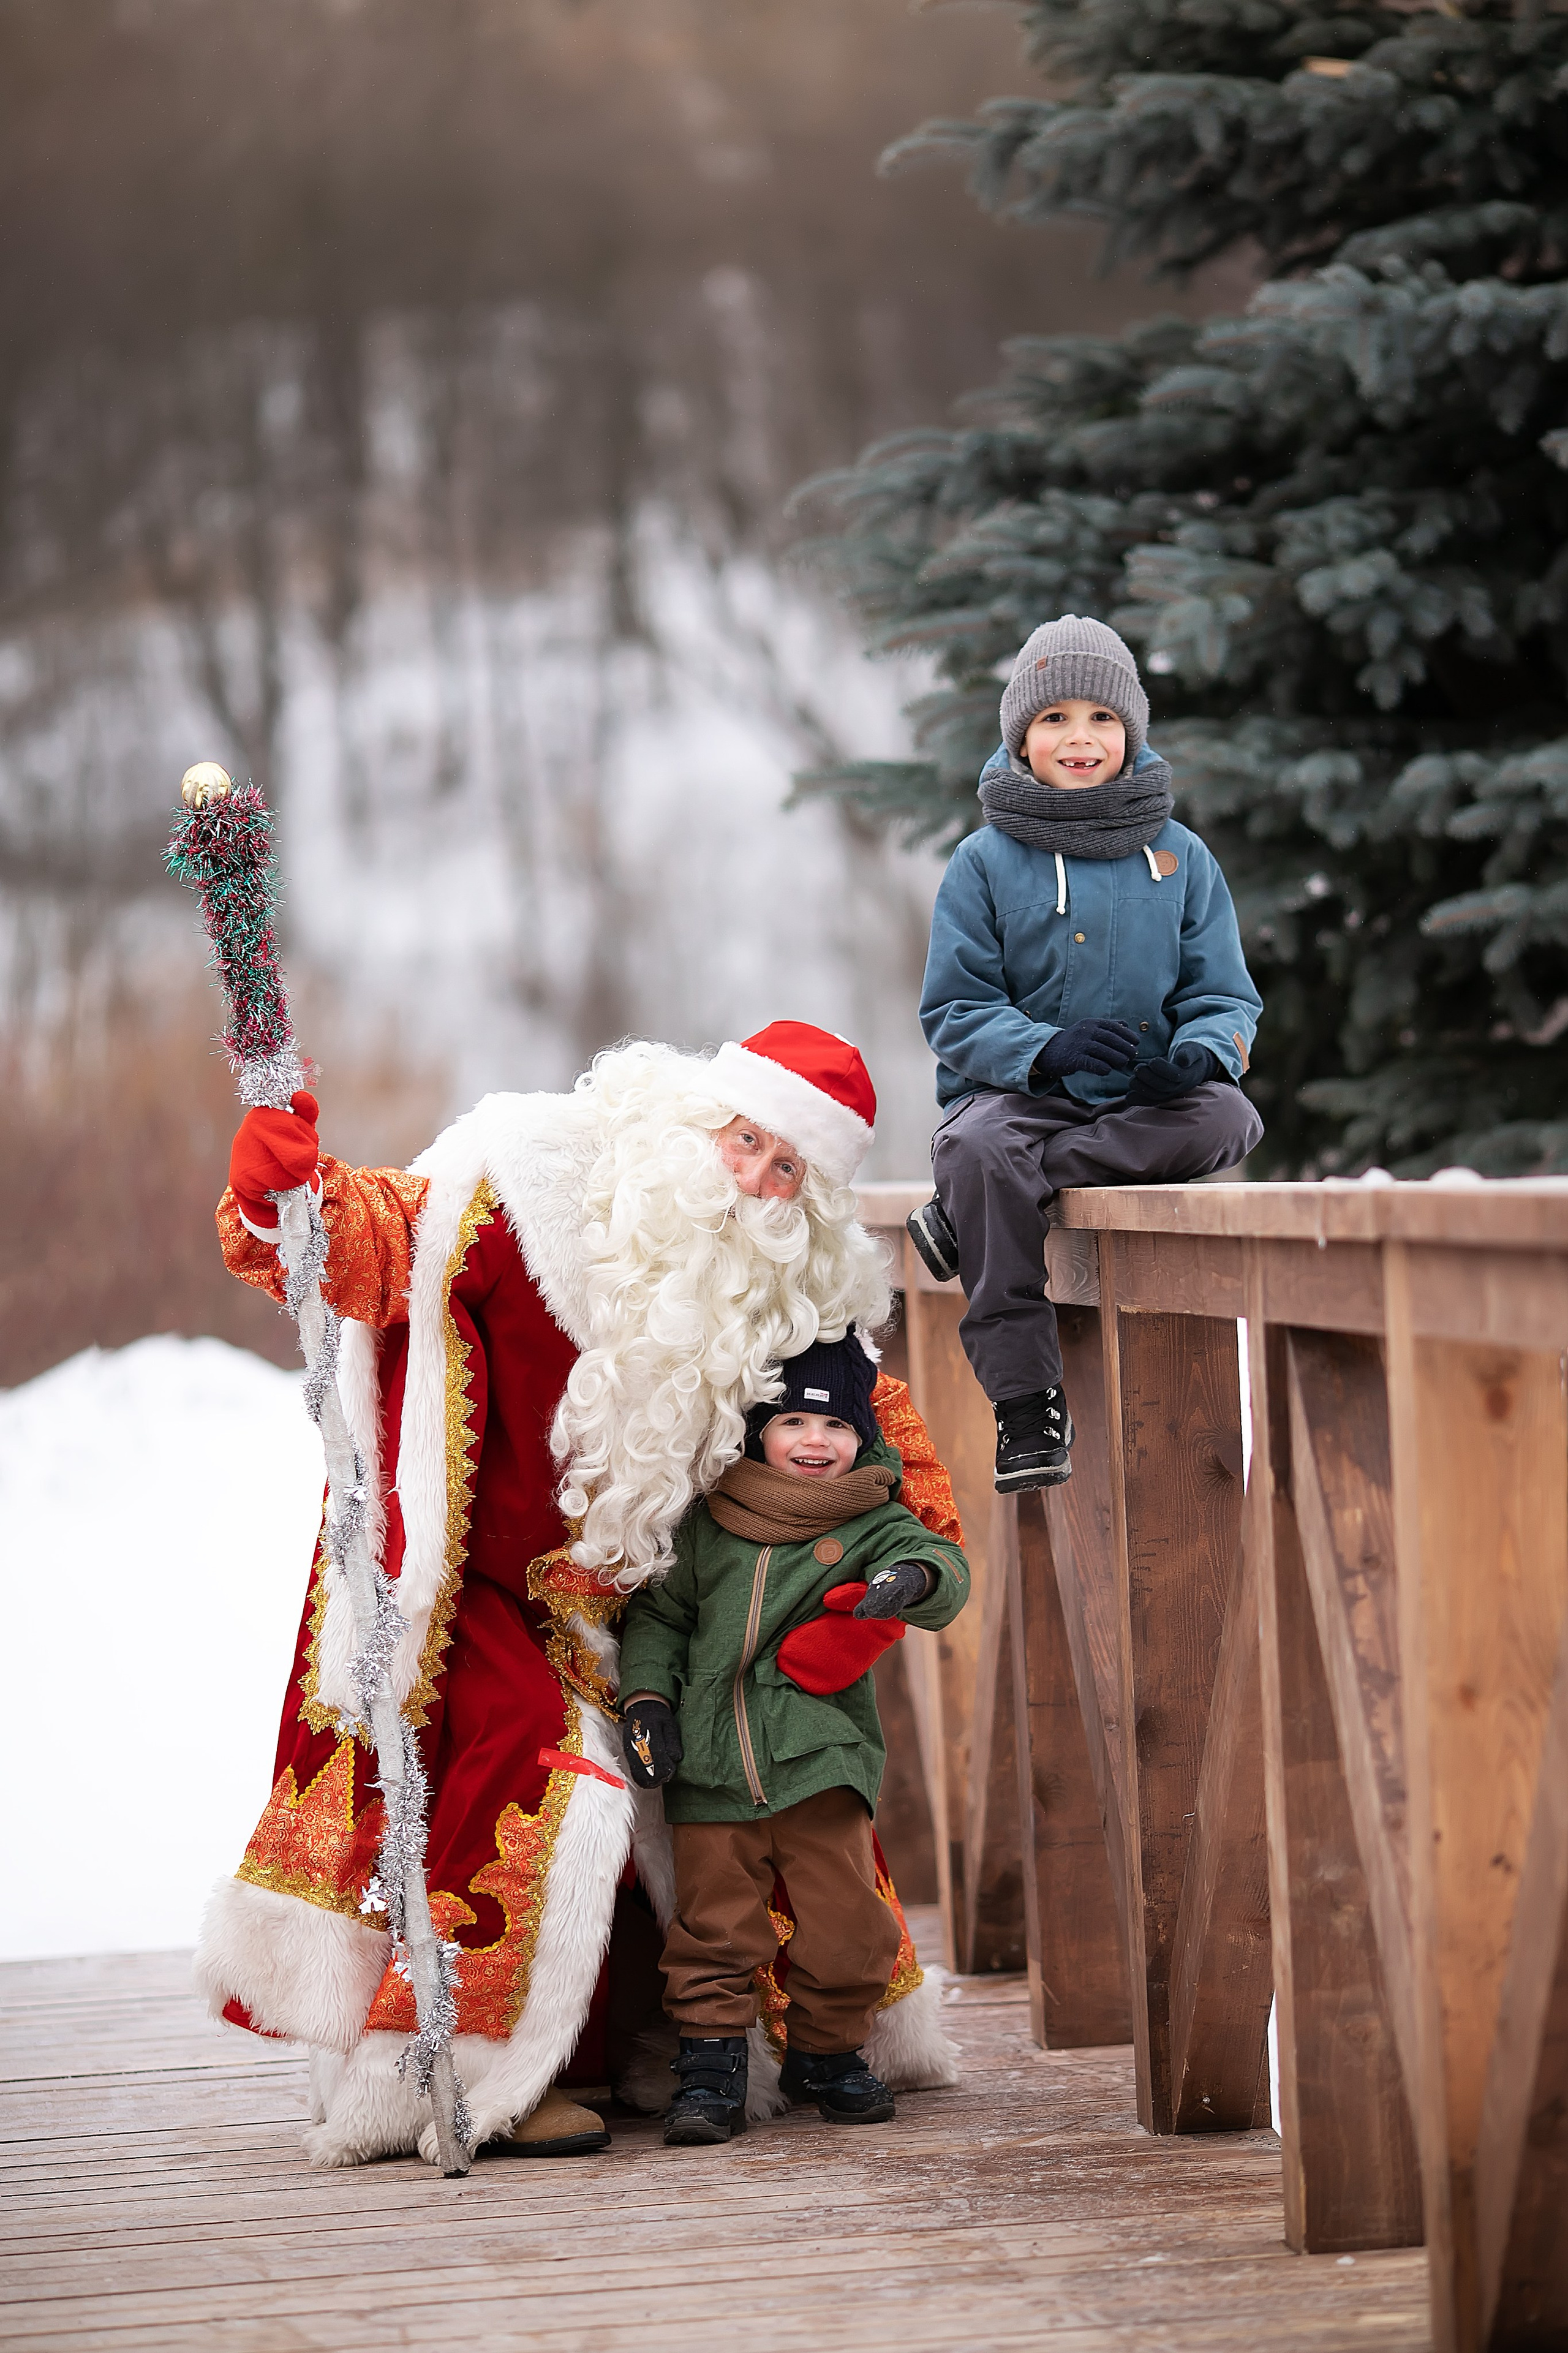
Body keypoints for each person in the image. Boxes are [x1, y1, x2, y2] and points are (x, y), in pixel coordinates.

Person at [194, 1022, 961, 2166]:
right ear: (699, 1118)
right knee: (541, 1761)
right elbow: (384, 1246)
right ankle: (473, 2069)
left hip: (672, 1609)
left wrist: (876, 1604)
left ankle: (676, 2039)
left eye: (786, 1167)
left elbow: (903, 1477)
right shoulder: (532, 1182)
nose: (751, 1178)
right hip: (493, 1593)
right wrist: (287, 1199)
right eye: (743, 1140)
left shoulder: (789, 1293)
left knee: (732, 1777)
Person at [908, 615, 1262, 1492]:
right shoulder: (983, 863)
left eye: (1102, 718)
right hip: (1018, 1096)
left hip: (1138, 1100)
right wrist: (1044, 1047)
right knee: (980, 1148)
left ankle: (978, 1204)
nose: (1080, 738)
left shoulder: (1183, 859)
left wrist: (1200, 1054)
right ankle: (1026, 1400)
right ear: (1022, 737)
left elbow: (1225, 996)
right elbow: (953, 1009)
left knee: (1231, 1116)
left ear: (1130, 732)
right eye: (1055, 718)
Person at [617, 1331, 968, 2145]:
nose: (817, 1442)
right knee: (712, 1927)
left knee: (848, 1921)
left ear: (863, 1439)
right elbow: (660, 1618)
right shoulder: (710, 1522)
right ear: (759, 1428)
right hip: (708, 1766)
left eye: (838, 1428)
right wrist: (648, 1700)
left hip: (821, 1765)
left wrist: (911, 1580)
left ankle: (829, 2051)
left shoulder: (873, 1517)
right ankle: (711, 2064)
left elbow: (939, 1560)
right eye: (795, 1423)